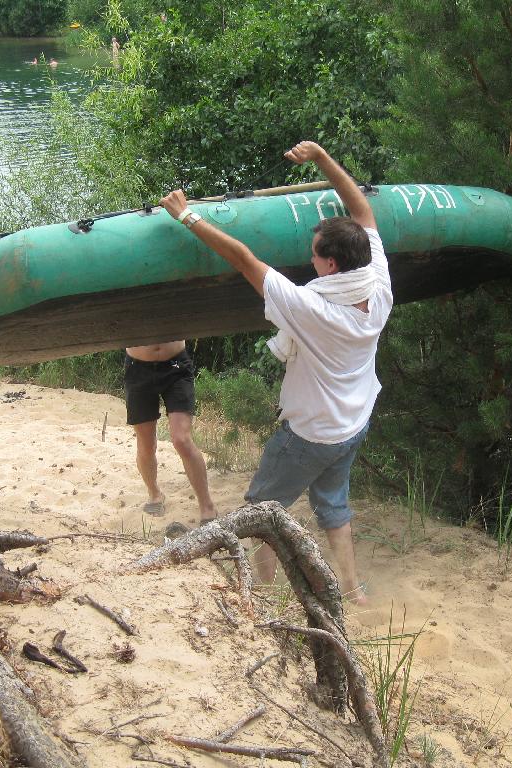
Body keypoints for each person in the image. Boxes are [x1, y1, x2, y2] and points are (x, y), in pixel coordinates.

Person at [159, 141, 392, 605]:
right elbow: (362, 210)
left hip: (310, 434)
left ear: (331, 264)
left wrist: (187, 216)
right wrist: (321, 157)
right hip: (353, 424)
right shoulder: (378, 282)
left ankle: (262, 592)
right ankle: (353, 590)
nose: (310, 261)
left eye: (315, 256)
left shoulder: (312, 308)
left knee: (263, 509)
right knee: (334, 506)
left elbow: (244, 259)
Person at [124, 340, 217, 523]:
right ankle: (154, 494)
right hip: (137, 367)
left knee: (182, 440)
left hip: (175, 364)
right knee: (146, 446)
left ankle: (207, 506)